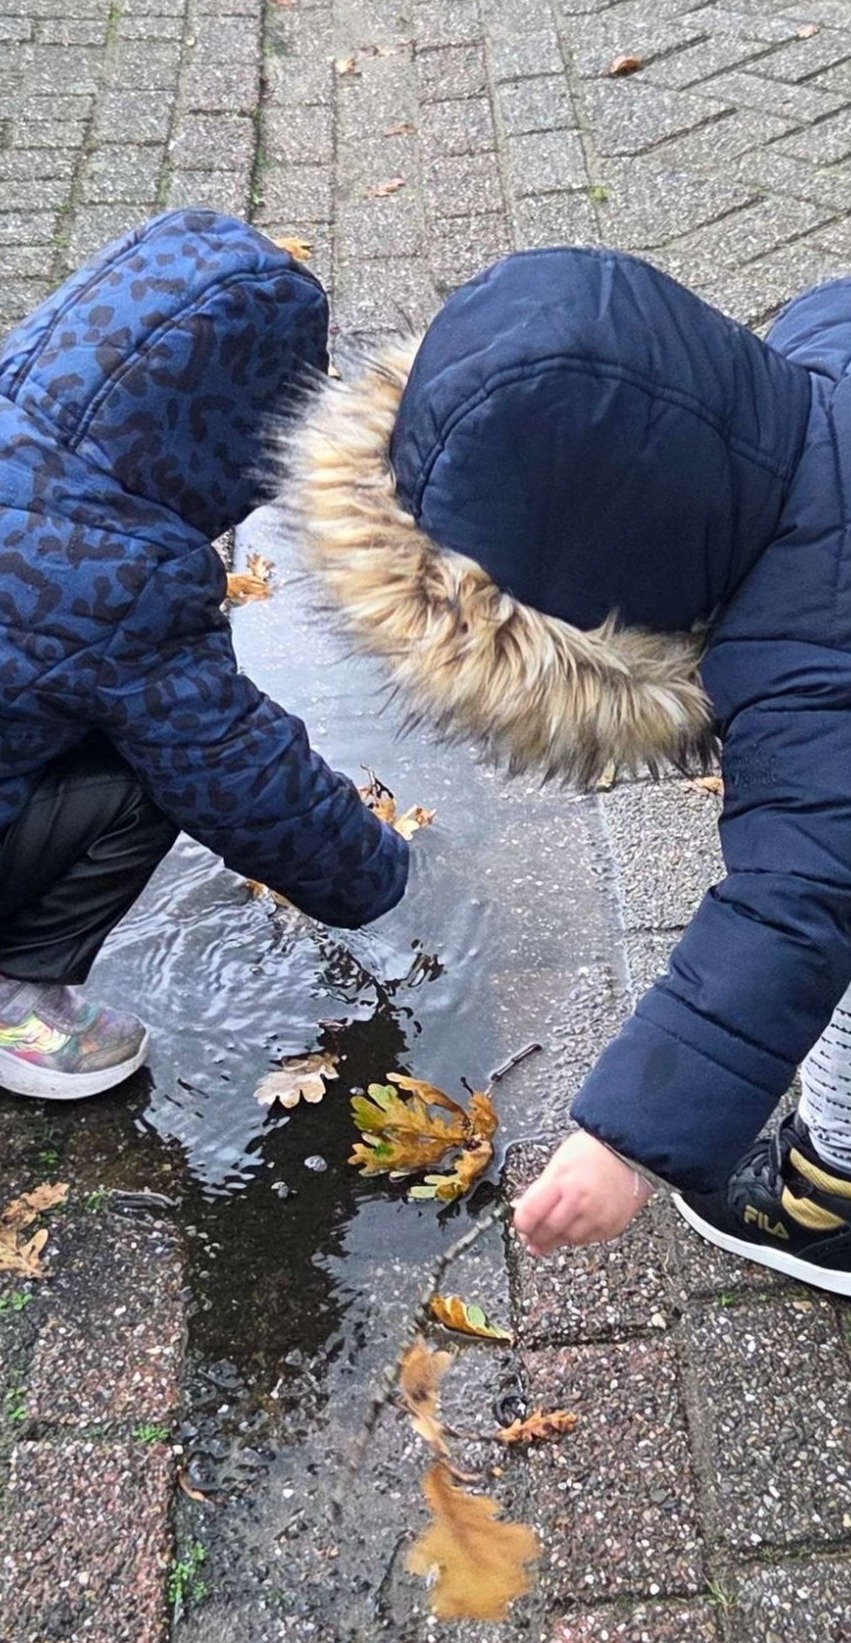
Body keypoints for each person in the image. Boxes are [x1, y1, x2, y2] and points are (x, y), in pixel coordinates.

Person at [283, 245, 851, 1297]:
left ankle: (828, 1197)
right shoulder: (822, 342)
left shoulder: (808, 663)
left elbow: (794, 902)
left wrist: (627, 1135)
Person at [0, 209, 408, 1102]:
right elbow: (238, 772)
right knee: (151, 772)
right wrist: (375, 872)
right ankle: (11, 1000)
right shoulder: (121, 570)